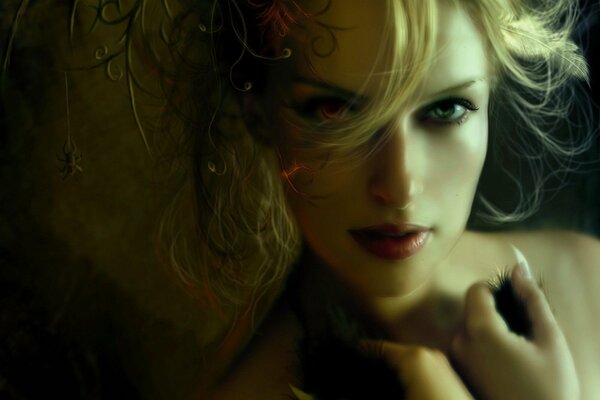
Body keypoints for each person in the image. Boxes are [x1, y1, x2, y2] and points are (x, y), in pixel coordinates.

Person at [153, 0, 600, 398]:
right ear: (258, 112)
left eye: (446, 108)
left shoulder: (588, 283)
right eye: (334, 111)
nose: (400, 187)